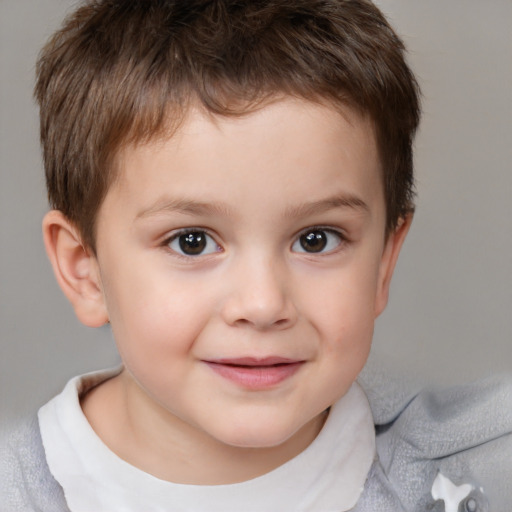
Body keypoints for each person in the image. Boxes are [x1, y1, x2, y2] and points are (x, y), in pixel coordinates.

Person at [1, 1, 510, 510]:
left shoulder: (472, 475)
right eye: (192, 241)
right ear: (84, 270)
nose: (263, 304)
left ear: (382, 262)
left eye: (316, 239)